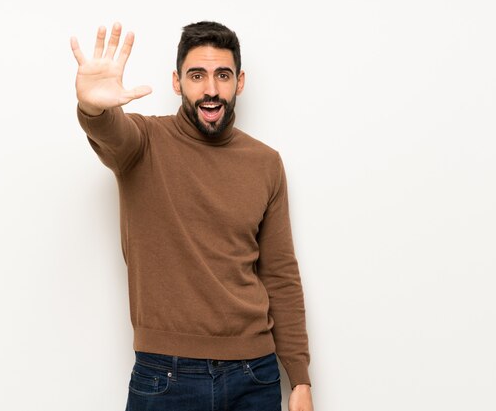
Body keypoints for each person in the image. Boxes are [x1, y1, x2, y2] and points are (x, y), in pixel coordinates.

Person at [70, 21, 314, 411]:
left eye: (223, 75)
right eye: (197, 76)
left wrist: (299, 378)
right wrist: (94, 108)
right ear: (177, 81)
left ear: (240, 82)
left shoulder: (266, 163)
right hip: (165, 377)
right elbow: (111, 133)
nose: (211, 89)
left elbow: (281, 274)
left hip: (255, 375)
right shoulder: (143, 144)